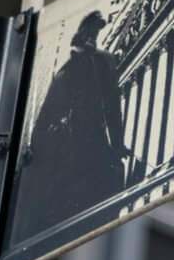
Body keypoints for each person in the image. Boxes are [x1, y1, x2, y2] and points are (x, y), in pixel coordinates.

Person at [23, 10, 127, 186]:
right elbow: (45, 117)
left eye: (95, 36)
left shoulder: (100, 66)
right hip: (72, 146)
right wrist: (36, 148)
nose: (92, 41)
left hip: (95, 141)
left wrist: (118, 145)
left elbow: (113, 109)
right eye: (89, 36)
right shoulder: (64, 75)